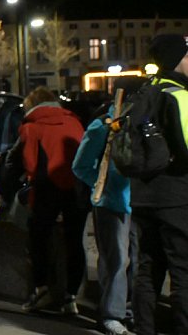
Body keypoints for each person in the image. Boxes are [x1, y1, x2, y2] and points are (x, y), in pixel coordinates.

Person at [72, 78, 146, 335]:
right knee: (117, 261)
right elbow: (80, 166)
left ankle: (131, 311)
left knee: (138, 261)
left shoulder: (142, 123)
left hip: (140, 203)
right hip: (111, 203)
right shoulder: (103, 126)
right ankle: (112, 316)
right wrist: (102, 185)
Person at [6, 87, 87, 314]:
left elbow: (30, 164)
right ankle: (71, 297)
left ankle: (42, 290)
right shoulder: (74, 122)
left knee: (38, 238)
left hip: (47, 190)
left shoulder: (31, 127)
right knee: (74, 243)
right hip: (76, 190)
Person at [130, 34, 188, 335]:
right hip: (176, 197)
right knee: (183, 272)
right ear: (177, 60)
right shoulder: (178, 95)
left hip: (142, 196)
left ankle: (144, 330)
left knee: (147, 269)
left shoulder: (145, 91)